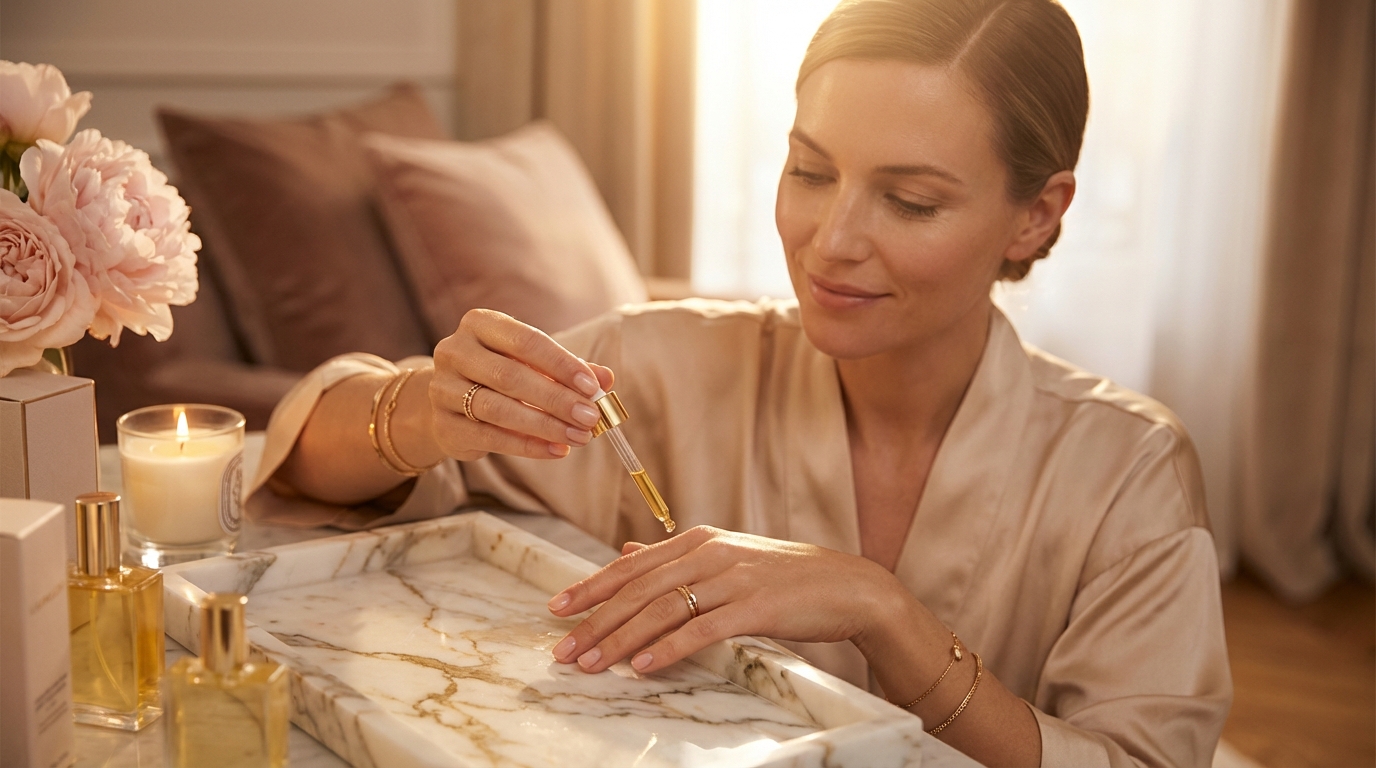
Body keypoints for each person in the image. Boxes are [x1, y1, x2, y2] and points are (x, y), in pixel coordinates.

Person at [252, 0, 1231, 765]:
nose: (830, 241)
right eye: (810, 171)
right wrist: (420, 409)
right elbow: (311, 470)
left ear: (1034, 216)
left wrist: (881, 613)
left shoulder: (1122, 470)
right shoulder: (662, 365)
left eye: (909, 200)